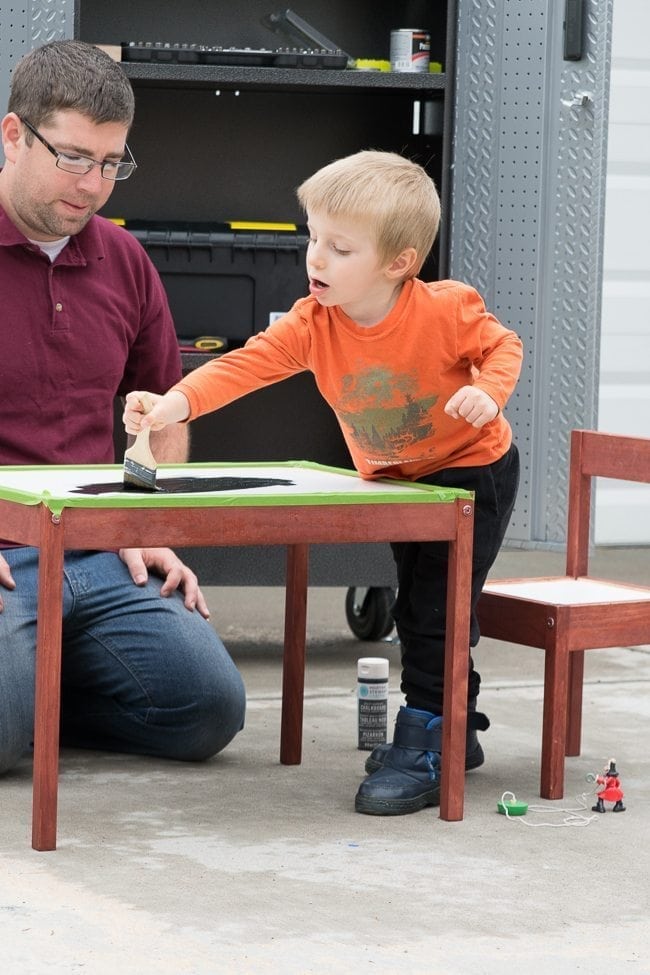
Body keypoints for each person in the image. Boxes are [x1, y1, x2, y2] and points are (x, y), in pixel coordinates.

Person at [124, 149, 522, 816]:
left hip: (471, 470)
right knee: (417, 603)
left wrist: (489, 392)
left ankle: (428, 737)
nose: (316, 259)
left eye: (339, 248)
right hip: (401, 477)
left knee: (434, 610)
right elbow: (244, 366)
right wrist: (173, 403)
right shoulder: (314, 324)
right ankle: (452, 720)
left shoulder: (445, 308)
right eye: (313, 238)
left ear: (398, 262)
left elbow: (502, 345)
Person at [0, 39, 245, 775]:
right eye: (75, 157)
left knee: (208, 710)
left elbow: (165, 414)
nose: (94, 185)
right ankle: (20, 696)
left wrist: (146, 519)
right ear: (13, 135)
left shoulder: (125, 260)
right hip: (5, 553)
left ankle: (32, 690)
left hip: (103, 548)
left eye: (112, 163)